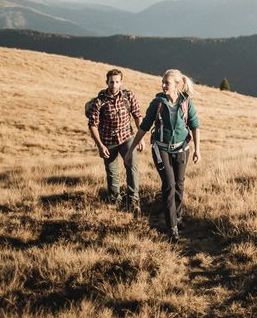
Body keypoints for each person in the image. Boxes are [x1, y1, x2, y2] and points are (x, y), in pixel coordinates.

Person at [125, 68, 200, 241]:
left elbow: (195, 126)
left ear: (177, 85)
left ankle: (178, 216)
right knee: (169, 185)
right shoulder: (157, 102)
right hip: (161, 148)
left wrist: (197, 150)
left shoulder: (186, 102)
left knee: (179, 185)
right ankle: (172, 227)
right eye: (163, 82)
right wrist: (130, 150)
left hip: (182, 148)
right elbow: (144, 127)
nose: (163, 85)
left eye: (167, 82)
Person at [86, 68, 144, 214]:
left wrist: (140, 138)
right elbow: (93, 125)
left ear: (121, 82)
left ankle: (133, 200)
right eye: (111, 82)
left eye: (117, 82)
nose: (114, 85)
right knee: (112, 172)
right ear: (107, 82)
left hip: (127, 138)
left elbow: (137, 115)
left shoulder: (128, 96)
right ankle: (115, 201)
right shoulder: (99, 102)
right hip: (108, 141)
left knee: (132, 167)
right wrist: (100, 146)